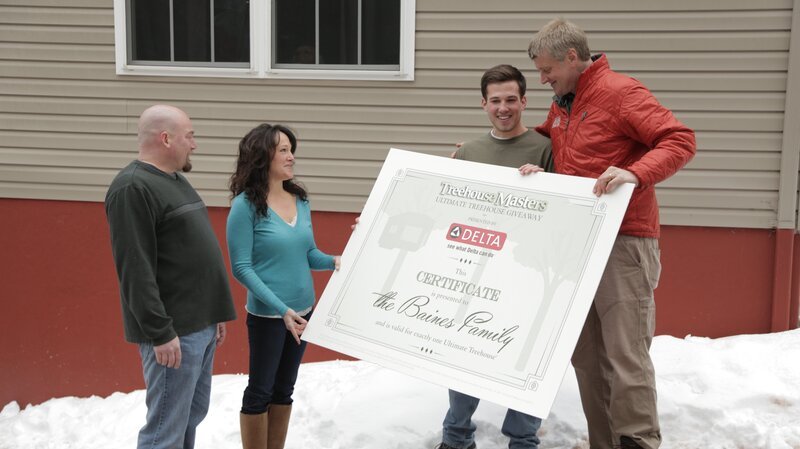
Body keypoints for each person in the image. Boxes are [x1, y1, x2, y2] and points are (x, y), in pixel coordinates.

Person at [524, 18, 696, 449]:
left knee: (625, 355)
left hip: (624, 239)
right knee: (587, 358)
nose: (542, 79)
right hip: (577, 241)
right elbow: (556, 144)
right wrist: (506, 151)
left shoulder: (620, 92)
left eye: (547, 70)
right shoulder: (565, 101)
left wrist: (635, 173)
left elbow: (679, 140)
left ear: (571, 57)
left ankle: (637, 440)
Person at [434, 64, 553, 449]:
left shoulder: (546, 149)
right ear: (484, 104)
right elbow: (445, 211)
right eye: (496, 100)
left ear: (524, 101)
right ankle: (456, 438)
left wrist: (545, 184)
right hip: (476, 273)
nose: (504, 108)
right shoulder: (468, 152)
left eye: (512, 100)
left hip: (530, 274)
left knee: (529, 354)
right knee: (465, 352)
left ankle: (523, 441)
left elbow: (568, 212)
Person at [105, 105, 237, 449]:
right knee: (165, 429)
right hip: (173, 334)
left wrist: (214, 313)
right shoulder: (132, 188)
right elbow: (135, 268)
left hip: (201, 325)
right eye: (189, 136)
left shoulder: (175, 180)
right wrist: (159, 332)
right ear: (166, 138)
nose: (194, 144)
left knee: (189, 417)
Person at [226, 124, 341, 449]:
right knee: (261, 390)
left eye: (291, 149)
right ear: (263, 156)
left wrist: (335, 261)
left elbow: (308, 254)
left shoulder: (299, 199)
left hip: (304, 312)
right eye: (283, 150)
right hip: (270, 317)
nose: (291, 157)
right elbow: (241, 268)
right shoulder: (245, 206)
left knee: (284, 389)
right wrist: (281, 310)